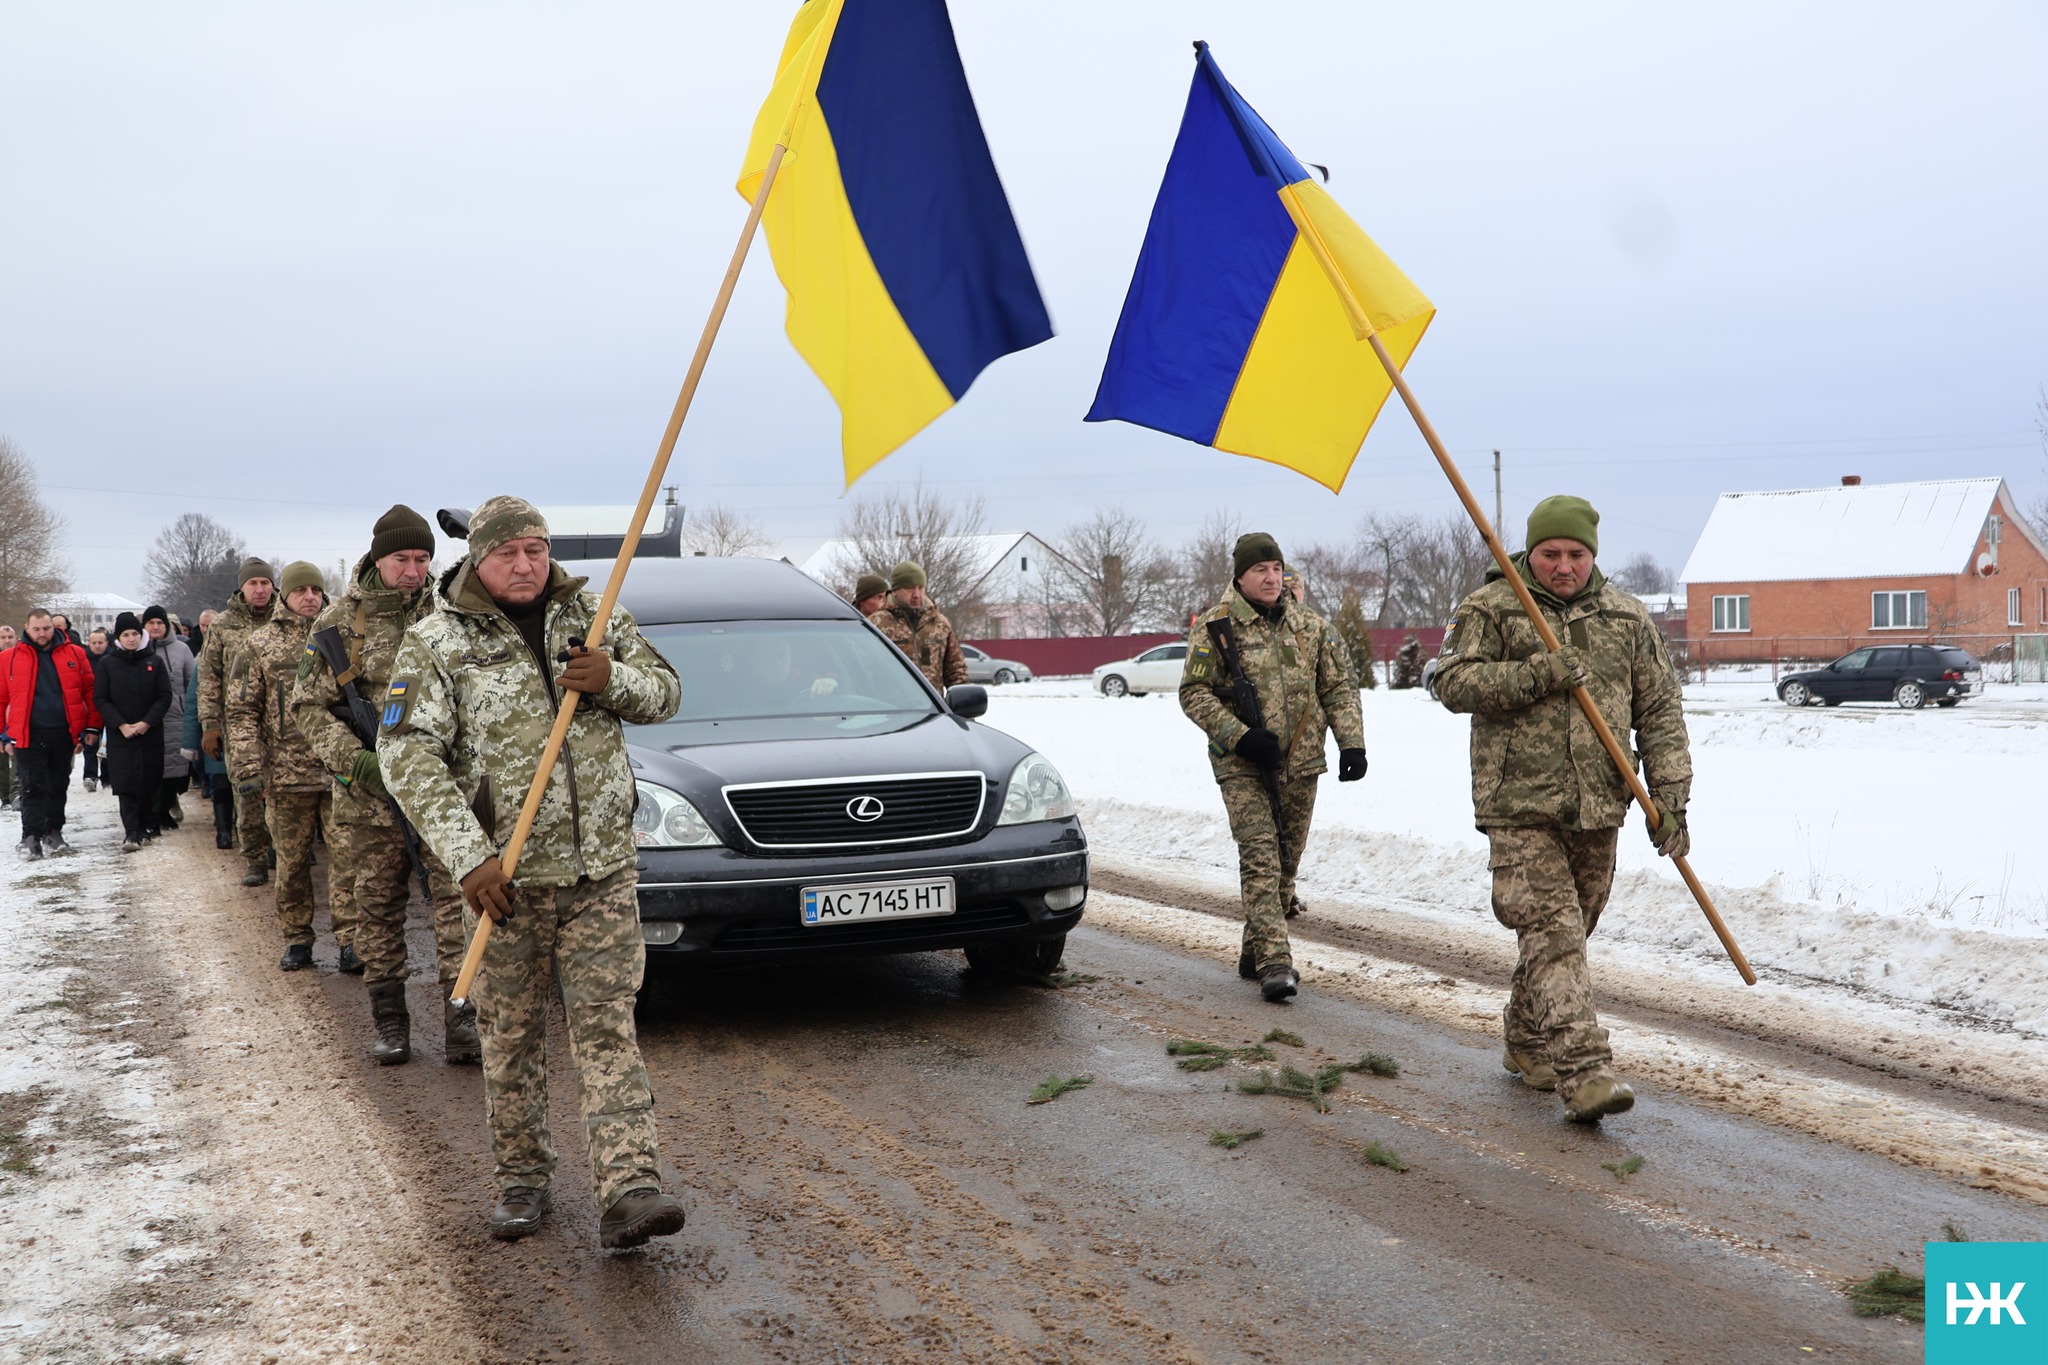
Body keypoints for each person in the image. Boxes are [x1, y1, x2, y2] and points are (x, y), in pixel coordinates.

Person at [381, 495, 687, 1248]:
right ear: (479, 558)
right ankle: (522, 1179)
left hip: (600, 874)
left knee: (608, 1027)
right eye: (510, 551)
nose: (526, 564)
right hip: (505, 884)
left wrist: (611, 674)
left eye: (538, 548)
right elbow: (406, 755)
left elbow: (666, 693)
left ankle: (629, 1187)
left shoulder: (596, 611)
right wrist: (468, 856)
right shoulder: (436, 641)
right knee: (511, 1037)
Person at [1433, 496, 1691, 1124]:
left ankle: (1525, 1038)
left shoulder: (1626, 618)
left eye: (1576, 554)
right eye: (1550, 554)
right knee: (1553, 931)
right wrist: (1535, 675)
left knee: (1569, 933)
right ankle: (1585, 1072)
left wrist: (1671, 795)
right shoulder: (1493, 608)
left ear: (1592, 555)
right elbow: (1450, 682)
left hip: (1600, 802)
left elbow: (1659, 710)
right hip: (1518, 804)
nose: (1564, 566)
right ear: (1530, 552)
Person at [292, 506, 470, 1060]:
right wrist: (357, 763)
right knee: (377, 911)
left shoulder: (451, 612)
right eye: (402, 559)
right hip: (368, 800)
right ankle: (390, 1023)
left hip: (443, 794)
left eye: (422, 559)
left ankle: (462, 1021)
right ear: (377, 559)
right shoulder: (337, 626)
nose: (413, 570)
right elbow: (307, 708)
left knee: (456, 909)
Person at [1179, 534, 1366, 1003]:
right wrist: (1239, 737)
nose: (1270, 577)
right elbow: (1193, 694)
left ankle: (1253, 948)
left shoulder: (1310, 626)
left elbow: (1338, 688)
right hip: (1241, 764)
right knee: (1261, 856)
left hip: (1301, 762)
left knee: (1285, 863)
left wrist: (1352, 745)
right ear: (1240, 576)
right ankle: (1275, 963)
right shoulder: (1216, 628)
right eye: (1260, 569)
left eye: (1277, 568)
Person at [229, 563, 356, 971]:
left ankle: (351, 940)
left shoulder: (340, 637)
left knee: (347, 861)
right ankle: (298, 938)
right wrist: (249, 765)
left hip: (339, 772)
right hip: (285, 776)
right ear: (285, 595)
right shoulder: (259, 644)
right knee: (292, 862)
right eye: (300, 590)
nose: (310, 598)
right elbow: (241, 710)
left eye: (316, 590)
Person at [197, 559, 278, 884]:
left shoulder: (286, 618)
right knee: (248, 794)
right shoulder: (223, 625)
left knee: (284, 792)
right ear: (241, 587)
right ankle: (255, 860)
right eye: (253, 584)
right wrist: (210, 724)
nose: (259, 590)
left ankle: (281, 850)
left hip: (283, 724)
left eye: (265, 583)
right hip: (240, 725)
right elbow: (209, 677)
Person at [1, 609, 100, 858]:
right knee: (32, 786)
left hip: (63, 732)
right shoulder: (9, 658)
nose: (42, 633)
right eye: (37, 629)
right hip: (26, 733)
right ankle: (31, 836)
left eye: (46, 628)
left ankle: (53, 831)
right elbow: (1, 699)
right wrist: (3, 734)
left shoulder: (75, 654)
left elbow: (90, 691)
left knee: (58, 785)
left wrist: (91, 727)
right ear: (26, 628)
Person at [94, 613, 171, 853]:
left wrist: (147, 722)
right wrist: (120, 725)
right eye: (126, 635)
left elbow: (164, 696)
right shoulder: (107, 664)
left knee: (149, 780)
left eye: (135, 634)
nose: (131, 639)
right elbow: (101, 699)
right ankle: (131, 832)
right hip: (121, 735)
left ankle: (148, 822)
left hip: (149, 732)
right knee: (126, 784)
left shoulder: (154, 662)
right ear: (118, 638)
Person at [866, 561, 967, 690]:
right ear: (895, 590)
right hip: (892, 706)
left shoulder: (939, 623)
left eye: (921, 587)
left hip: (932, 707)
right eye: (909, 588)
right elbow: (864, 669)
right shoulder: (877, 623)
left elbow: (956, 671)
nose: (916, 594)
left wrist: (961, 701)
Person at [141, 605, 195, 835]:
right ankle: (152, 812)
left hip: (176, 716)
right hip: (147, 717)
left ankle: (166, 807)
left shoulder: (181, 649)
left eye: (159, 623)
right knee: (151, 767)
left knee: (175, 767)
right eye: (150, 623)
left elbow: (192, 681)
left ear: (167, 626)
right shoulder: (139, 649)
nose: (155, 627)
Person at [80, 628, 110, 791]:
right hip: (90, 707)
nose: (97, 646)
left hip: (108, 705)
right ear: (89, 643)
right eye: (94, 643)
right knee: (90, 743)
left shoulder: (112, 659)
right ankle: (90, 775)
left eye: (100, 642)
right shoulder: (83, 659)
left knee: (108, 742)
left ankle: (107, 776)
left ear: (106, 643)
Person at [0, 623, 15, 813]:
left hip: (16, 711)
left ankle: (17, 792)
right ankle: (4, 795)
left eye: (10, 637)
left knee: (19, 757)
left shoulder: (22, 657)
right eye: (3, 637)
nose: (6, 640)